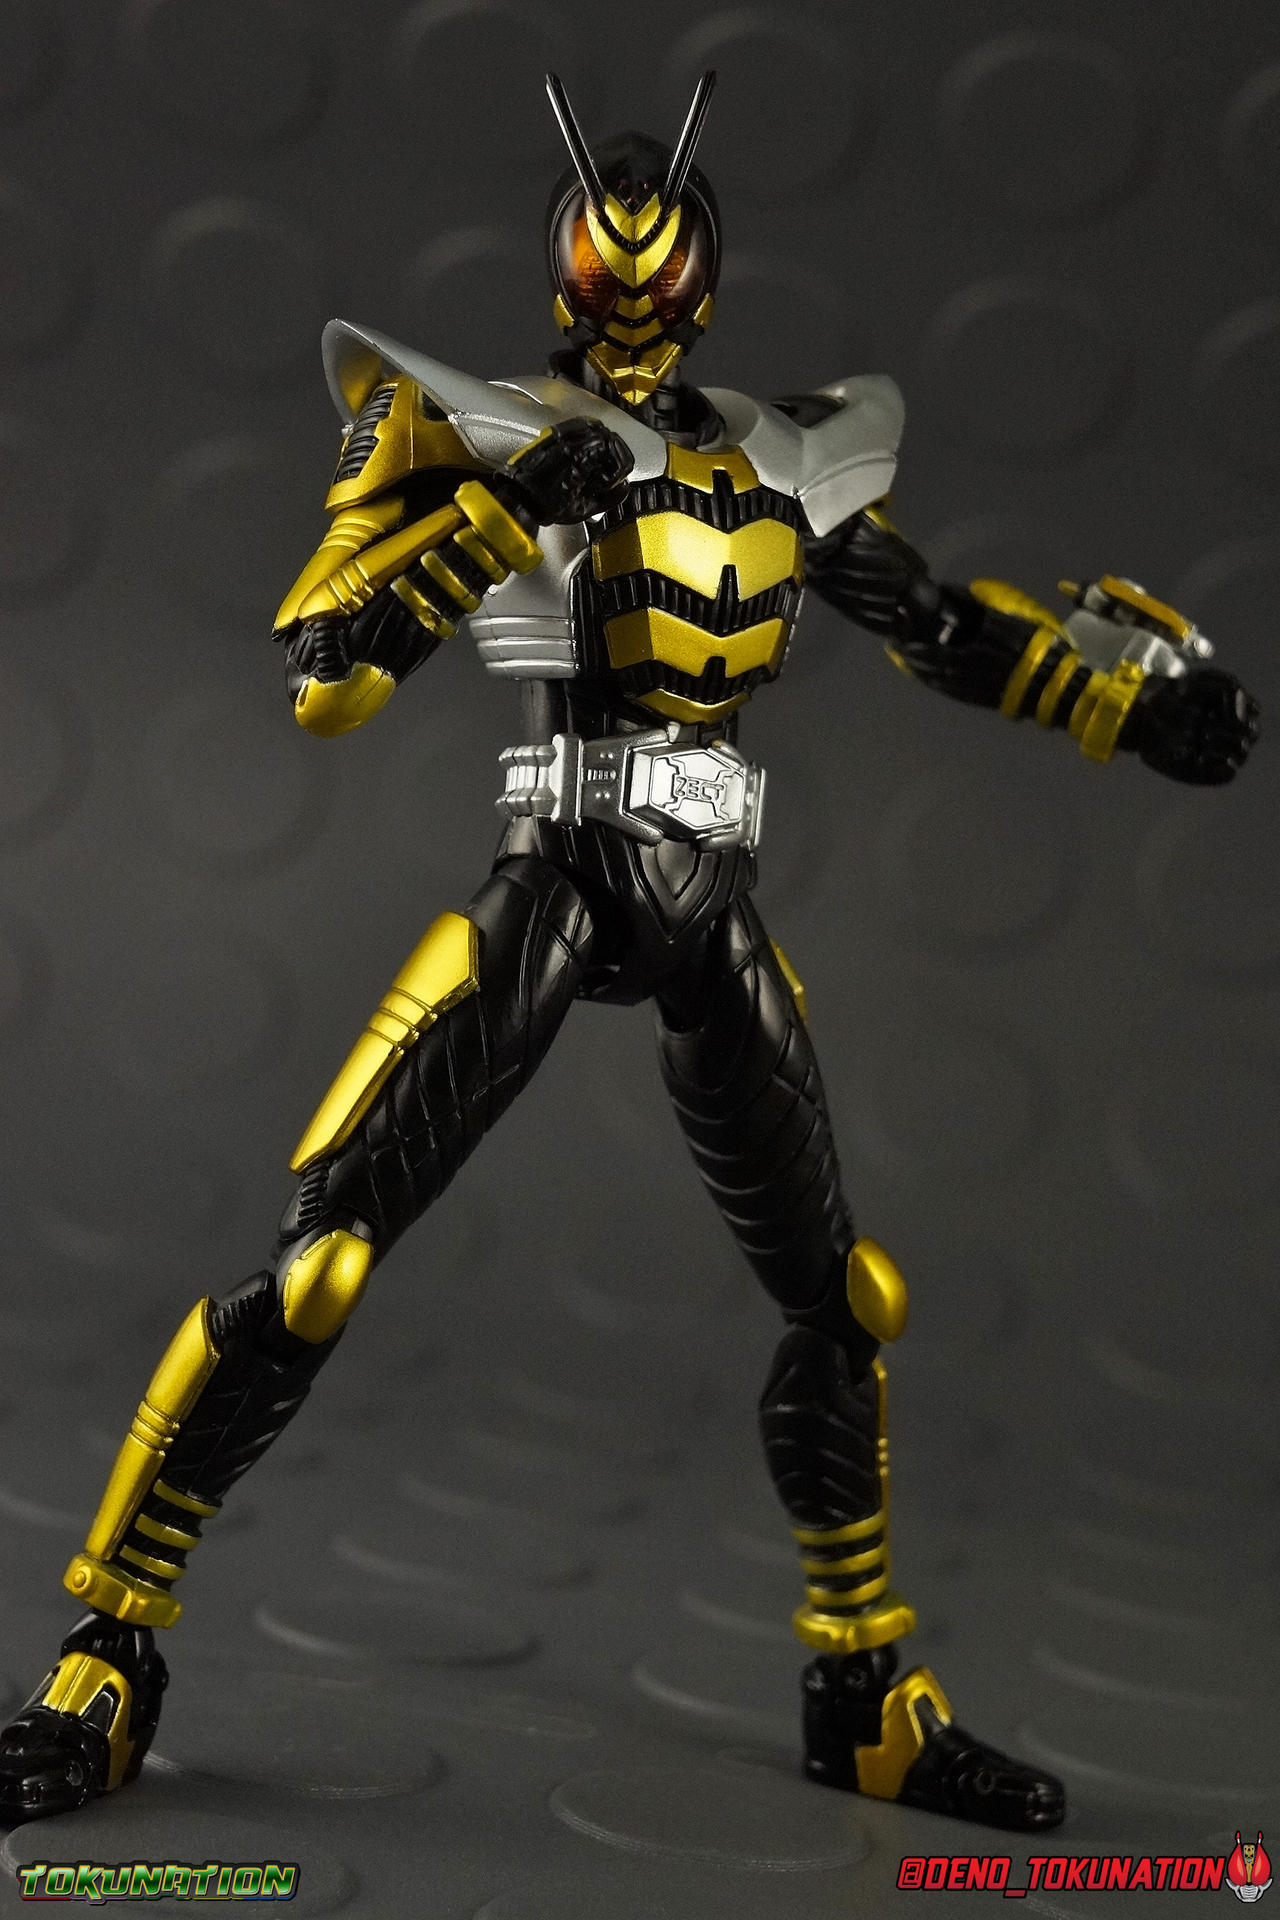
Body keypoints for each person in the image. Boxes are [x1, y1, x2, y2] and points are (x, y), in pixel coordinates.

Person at [0, 72, 1257, 1833]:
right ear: (562, 280)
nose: (633, 315)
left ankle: (863, 1691)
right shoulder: (475, 428)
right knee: (320, 1262)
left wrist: (1122, 702)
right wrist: (506, 508)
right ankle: (105, 1657)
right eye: (604, 286)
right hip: (557, 883)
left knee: (844, 1300)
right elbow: (327, 679)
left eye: (658, 288)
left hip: (705, 900)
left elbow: (933, 625)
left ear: (708, 285)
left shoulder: (780, 459)